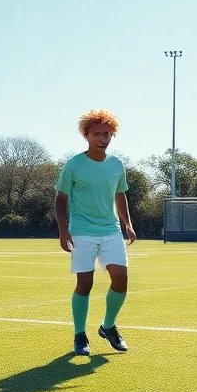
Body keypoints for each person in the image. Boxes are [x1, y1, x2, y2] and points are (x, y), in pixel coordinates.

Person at [56, 110, 136, 356]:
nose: (102, 139)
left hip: (110, 230)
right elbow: (61, 199)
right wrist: (62, 230)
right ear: (86, 135)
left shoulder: (116, 165)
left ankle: (108, 327)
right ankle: (80, 335)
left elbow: (120, 194)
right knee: (85, 283)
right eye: (96, 134)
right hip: (81, 231)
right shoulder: (74, 165)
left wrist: (127, 223)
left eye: (107, 134)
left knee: (120, 278)